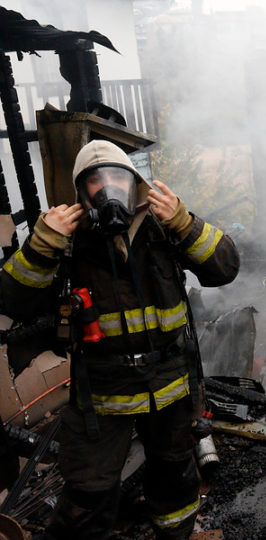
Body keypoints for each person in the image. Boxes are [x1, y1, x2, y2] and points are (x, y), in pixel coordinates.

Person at [0, 140, 239, 539]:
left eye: (116, 176)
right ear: (81, 191)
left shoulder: (163, 226)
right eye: (95, 181)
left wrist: (186, 223)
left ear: (133, 183)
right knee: (87, 494)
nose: (107, 187)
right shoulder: (68, 239)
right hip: (102, 396)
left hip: (170, 386)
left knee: (175, 476)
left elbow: (226, 266)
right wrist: (42, 246)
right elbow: (14, 302)